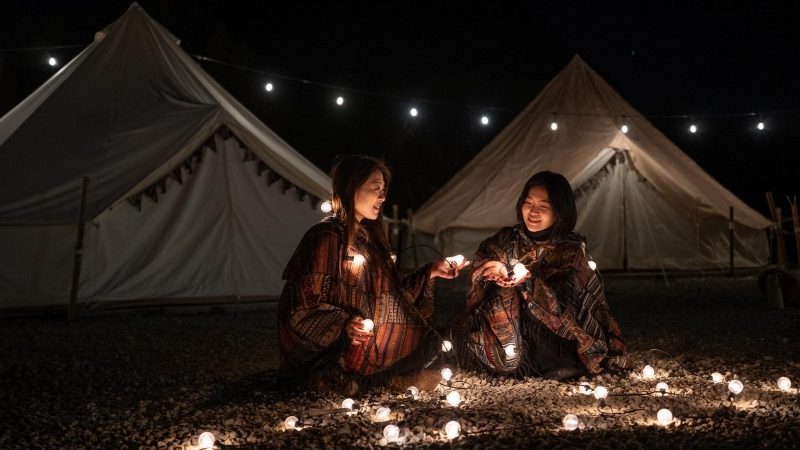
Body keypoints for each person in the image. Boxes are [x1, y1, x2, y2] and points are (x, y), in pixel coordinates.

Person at [277, 154, 469, 395]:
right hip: (336, 346)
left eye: (384, 189)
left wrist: (431, 272)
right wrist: (344, 325)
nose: (382, 196)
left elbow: (393, 294)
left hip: (369, 336)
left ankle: (369, 380)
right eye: (375, 188)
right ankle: (370, 380)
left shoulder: (371, 241)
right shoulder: (325, 237)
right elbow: (302, 305)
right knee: (429, 343)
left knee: (435, 340)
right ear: (351, 188)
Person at [459, 171, 630, 379]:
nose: (533, 212)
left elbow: (573, 308)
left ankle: (552, 364)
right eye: (528, 203)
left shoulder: (570, 251)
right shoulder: (504, 240)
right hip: (507, 332)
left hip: (552, 334)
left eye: (543, 206)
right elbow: (478, 275)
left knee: (553, 348)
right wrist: (493, 274)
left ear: (559, 211)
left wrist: (528, 283)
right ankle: (510, 360)